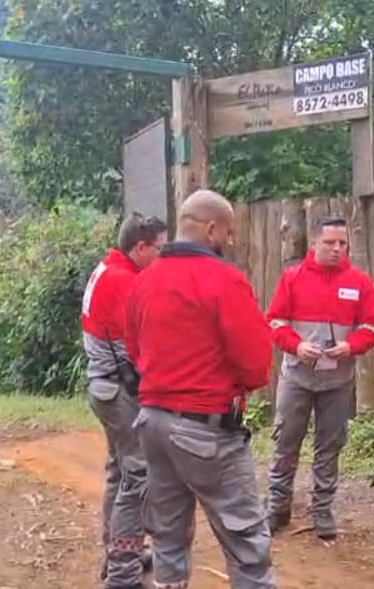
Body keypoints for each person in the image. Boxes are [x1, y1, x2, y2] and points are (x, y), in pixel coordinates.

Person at [125, 189, 276, 589]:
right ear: (211, 229)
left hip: (152, 423)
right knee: (246, 541)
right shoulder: (224, 280)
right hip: (206, 430)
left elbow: (134, 350)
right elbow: (255, 363)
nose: (230, 240)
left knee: (168, 535)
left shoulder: (145, 279)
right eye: (228, 231)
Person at [264, 216, 374, 541]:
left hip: (338, 381)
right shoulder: (293, 278)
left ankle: (323, 509)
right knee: (286, 442)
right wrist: (297, 345)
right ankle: (277, 506)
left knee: (330, 446)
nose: (337, 248)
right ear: (315, 242)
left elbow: (372, 327)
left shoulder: (359, 282)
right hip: (296, 377)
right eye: (330, 242)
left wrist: (351, 346)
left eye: (343, 243)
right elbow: (274, 322)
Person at [81, 213, 168, 589]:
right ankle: (123, 571)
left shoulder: (108, 268)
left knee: (121, 473)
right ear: (141, 247)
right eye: (159, 249)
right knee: (138, 477)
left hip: (104, 387)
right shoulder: (123, 280)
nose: (162, 255)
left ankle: (116, 551)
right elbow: (138, 345)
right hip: (118, 390)